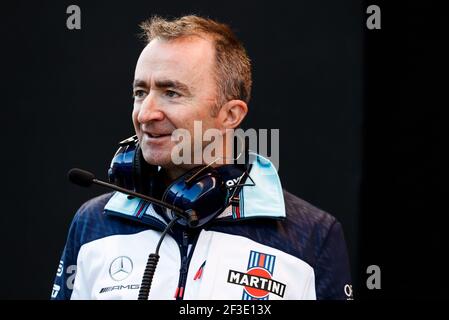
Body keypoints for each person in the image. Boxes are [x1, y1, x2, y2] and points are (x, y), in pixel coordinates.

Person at [51, 15, 352, 300]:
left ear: (230, 114)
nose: (145, 114)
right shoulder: (93, 223)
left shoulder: (311, 234)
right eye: (140, 92)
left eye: (172, 93)